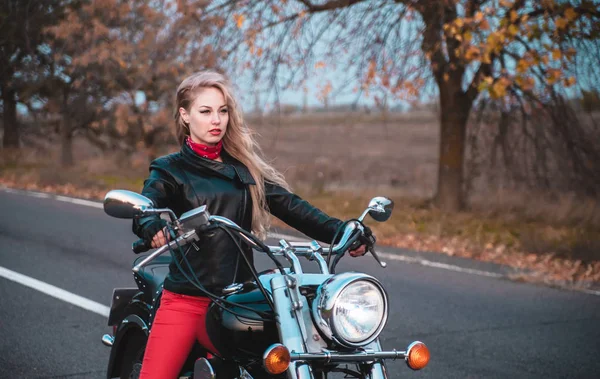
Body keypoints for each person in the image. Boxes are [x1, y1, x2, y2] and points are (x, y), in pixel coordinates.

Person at [132, 70, 368, 379]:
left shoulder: (244, 171)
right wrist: (151, 225)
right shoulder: (169, 169)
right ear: (185, 115)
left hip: (239, 300)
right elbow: (148, 203)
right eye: (205, 111)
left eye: (222, 110)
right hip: (187, 301)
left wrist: (344, 231)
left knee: (288, 364)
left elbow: (292, 206)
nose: (216, 119)